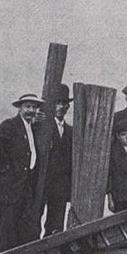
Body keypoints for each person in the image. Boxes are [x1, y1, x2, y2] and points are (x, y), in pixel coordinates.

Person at [0, 93, 43, 252]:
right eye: (27, 106)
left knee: (27, 232)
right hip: (9, 189)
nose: (31, 110)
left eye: (34, 107)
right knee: (6, 234)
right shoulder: (11, 125)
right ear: (19, 108)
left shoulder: (31, 127)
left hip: (25, 188)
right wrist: (4, 166)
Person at [41, 84, 73, 236]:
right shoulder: (41, 126)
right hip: (40, 183)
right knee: (34, 222)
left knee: (55, 225)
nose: (61, 107)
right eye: (57, 103)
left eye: (64, 104)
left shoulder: (70, 131)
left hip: (59, 186)